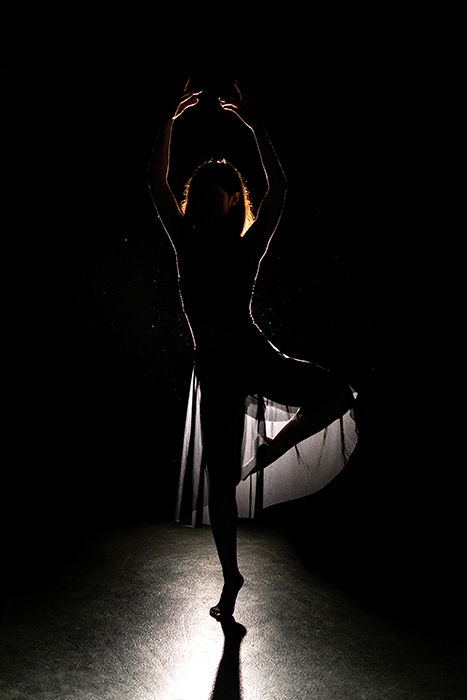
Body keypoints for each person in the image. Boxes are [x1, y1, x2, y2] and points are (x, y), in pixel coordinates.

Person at [148, 80, 355, 621]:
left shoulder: (245, 247)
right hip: (215, 373)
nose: (217, 192)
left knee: (337, 392)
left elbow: (280, 190)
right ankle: (230, 578)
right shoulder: (185, 243)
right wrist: (168, 122)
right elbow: (156, 184)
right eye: (208, 186)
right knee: (220, 485)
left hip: (251, 355)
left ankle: (270, 448)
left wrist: (254, 124)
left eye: (226, 186)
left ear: (236, 198)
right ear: (198, 199)